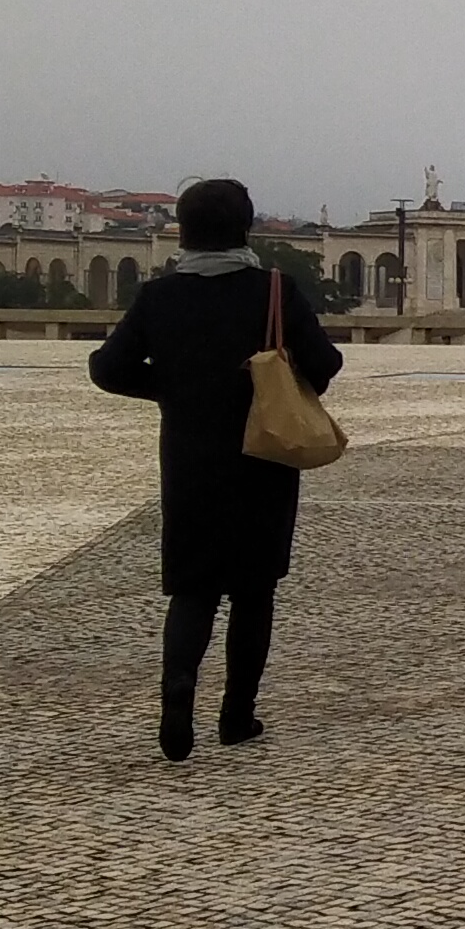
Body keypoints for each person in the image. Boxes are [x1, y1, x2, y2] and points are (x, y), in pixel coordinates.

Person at [88, 178, 343, 762]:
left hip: (190, 461)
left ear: (183, 232)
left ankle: (178, 690)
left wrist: (174, 388)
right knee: (254, 591)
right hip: (264, 456)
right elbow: (325, 363)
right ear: (245, 228)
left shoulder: (160, 296)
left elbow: (107, 368)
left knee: (193, 589)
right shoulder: (274, 290)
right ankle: (236, 715)